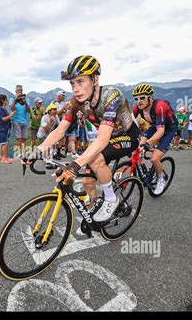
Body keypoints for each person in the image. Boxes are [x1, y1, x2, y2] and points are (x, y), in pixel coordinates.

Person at [37, 55, 140, 225]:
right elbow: (60, 129)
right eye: (72, 84)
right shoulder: (77, 101)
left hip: (129, 136)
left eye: (80, 82)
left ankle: (111, 198)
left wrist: (75, 165)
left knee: (95, 159)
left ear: (95, 79)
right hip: (105, 138)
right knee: (87, 182)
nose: (75, 89)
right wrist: (37, 150)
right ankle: (93, 215)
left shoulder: (111, 95)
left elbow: (103, 138)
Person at [132, 83, 178, 195]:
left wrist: (148, 144)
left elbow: (161, 131)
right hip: (155, 126)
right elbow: (129, 122)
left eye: (142, 97)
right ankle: (142, 166)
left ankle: (160, 178)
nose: (139, 101)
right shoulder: (138, 107)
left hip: (169, 129)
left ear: (151, 98)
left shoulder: (159, 106)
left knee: (154, 158)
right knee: (139, 145)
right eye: (136, 99)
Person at [9, 85, 31, 158]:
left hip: (24, 120)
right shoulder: (12, 99)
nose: (20, 91)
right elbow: (11, 109)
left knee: (24, 137)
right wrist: (15, 100)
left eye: (21, 90)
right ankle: (19, 153)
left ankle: (23, 152)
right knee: (19, 137)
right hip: (16, 120)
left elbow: (29, 110)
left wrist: (26, 103)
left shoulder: (26, 99)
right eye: (18, 90)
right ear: (15, 91)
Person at [0, 94, 15, 164]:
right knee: (5, 143)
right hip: (0, 128)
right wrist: (11, 115)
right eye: (6, 100)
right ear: (3, 100)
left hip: (2, 128)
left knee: (2, 143)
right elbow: (3, 119)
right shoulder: (0, 109)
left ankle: (2, 156)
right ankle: (4, 158)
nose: (8, 101)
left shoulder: (4, 109)